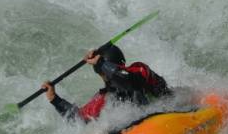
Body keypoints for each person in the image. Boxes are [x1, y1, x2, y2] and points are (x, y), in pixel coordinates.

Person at [42, 44, 171, 123]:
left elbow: (129, 81)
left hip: (168, 111)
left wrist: (101, 64)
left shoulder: (139, 70)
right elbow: (79, 119)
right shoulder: (104, 98)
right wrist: (55, 99)